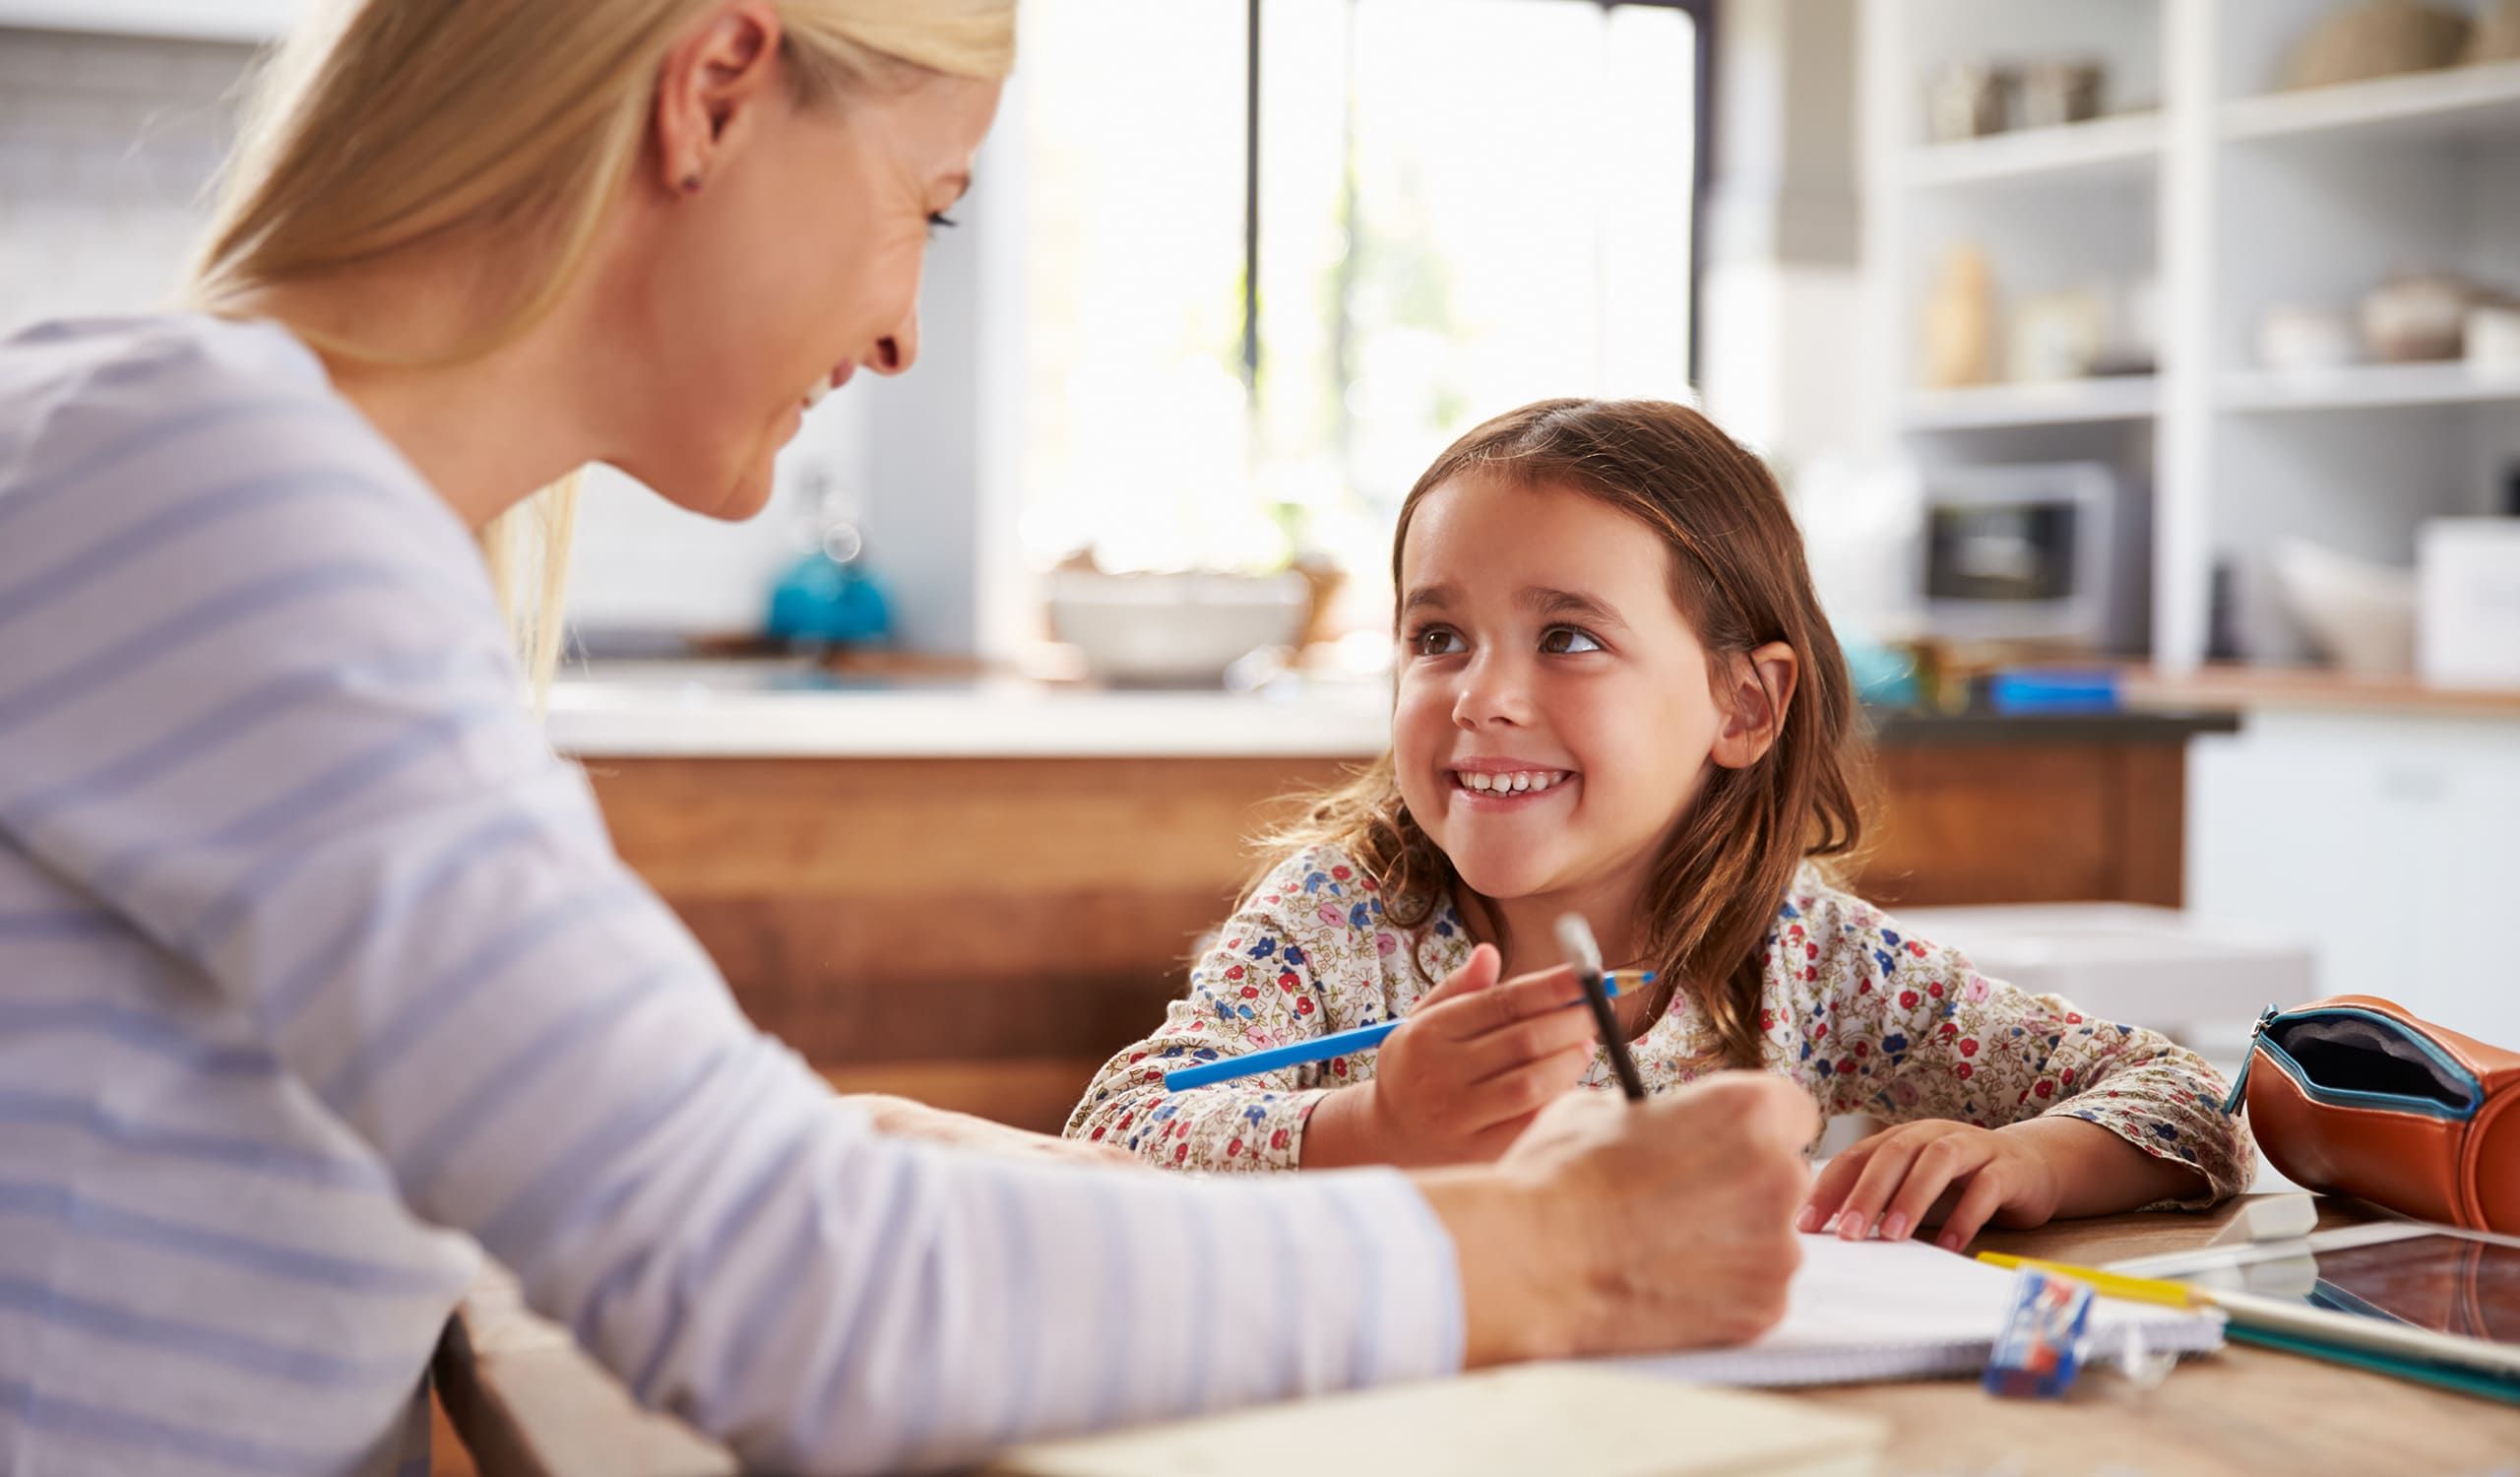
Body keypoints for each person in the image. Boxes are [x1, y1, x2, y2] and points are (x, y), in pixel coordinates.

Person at [0, 7, 1820, 1476]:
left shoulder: (241, 487)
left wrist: (963, 1166)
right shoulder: (217, 497)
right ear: (715, 89)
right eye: (924, 204)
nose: (899, 330)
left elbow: (679, 1172)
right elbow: (790, 1303)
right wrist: (1563, 1254)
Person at [1067, 397, 2254, 1251]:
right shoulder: (1344, 918)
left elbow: (2185, 1100)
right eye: (1437, 638)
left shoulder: (1801, 955)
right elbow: (1112, 1132)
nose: (1480, 694)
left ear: (1742, 705)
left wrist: (2027, 1158)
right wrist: (1373, 1123)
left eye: (1568, 638)